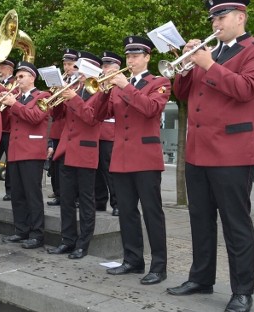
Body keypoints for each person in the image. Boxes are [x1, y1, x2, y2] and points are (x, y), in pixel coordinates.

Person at [167, 0, 254, 312]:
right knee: (200, 218)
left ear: (240, 17)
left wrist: (208, 64)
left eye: (221, 17)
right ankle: (201, 278)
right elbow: (182, 95)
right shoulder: (209, 54)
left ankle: (242, 291)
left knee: (235, 223)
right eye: (213, 19)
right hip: (198, 150)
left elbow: (246, 90)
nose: (215, 24)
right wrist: (185, 65)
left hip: (232, 151)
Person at [91, 35, 170, 285]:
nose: (131, 60)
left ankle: (159, 266)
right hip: (121, 157)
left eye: (135, 56)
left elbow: (150, 109)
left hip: (146, 157)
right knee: (126, 212)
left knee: (152, 212)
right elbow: (97, 115)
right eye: (128, 56)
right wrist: (104, 92)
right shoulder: (117, 86)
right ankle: (133, 260)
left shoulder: (160, 82)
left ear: (147, 57)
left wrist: (125, 86)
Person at [46, 51, 102, 259]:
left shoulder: (99, 90)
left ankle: (83, 244)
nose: (77, 72)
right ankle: (67, 240)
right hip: (66, 150)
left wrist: (74, 98)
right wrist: (59, 96)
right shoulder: (74, 88)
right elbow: (56, 115)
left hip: (86, 150)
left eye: (81, 69)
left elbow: (91, 118)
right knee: (66, 200)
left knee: (86, 201)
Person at [0, 61, 50, 250]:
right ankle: (21, 230)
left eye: (21, 76)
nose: (17, 80)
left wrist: (14, 104)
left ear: (32, 77)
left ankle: (37, 234)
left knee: (32, 194)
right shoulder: (16, 98)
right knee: (17, 194)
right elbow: (5, 122)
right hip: (15, 151)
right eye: (17, 77)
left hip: (32, 151)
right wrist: (5, 103)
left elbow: (36, 117)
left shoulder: (43, 96)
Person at [47, 48, 79, 206]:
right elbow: (54, 111)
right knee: (55, 165)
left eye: (70, 64)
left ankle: (75, 196)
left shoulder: (79, 84)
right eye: (65, 64)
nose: (67, 67)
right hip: (58, 129)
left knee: (71, 165)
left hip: (72, 128)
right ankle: (59, 194)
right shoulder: (61, 82)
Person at [95, 51, 121, 217]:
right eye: (103, 66)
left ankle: (117, 203)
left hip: (110, 132)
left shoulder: (119, 84)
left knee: (109, 170)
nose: (103, 69)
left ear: (116, 68)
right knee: (96, 169)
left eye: (107, 66)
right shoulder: (100, 83)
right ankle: (99, 201)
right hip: (96, 131)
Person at [0, 58, 15, 201]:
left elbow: (13, 93)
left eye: (2, 68)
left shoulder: (15, 82)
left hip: (9, 128)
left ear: (9, 69)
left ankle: (10, 191)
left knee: (10, 161)